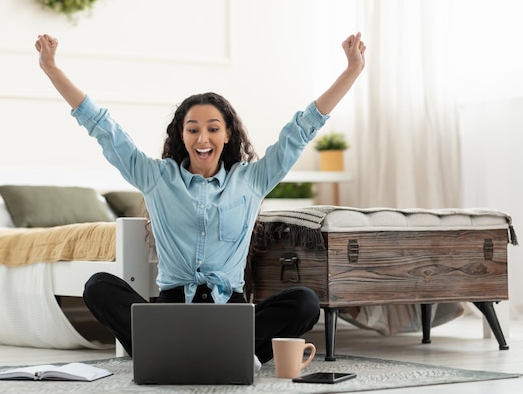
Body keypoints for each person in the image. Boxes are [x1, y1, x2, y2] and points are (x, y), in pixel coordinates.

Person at [34, 32, 366, 363]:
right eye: (193, 129)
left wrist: (351, 70)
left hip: (231, 314)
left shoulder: (251, 179)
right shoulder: (156, 177)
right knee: (97, 286)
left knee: (304, 302)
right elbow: (104, 128)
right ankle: (205, 354)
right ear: (181, 135)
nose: (203, 138)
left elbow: (301, 131)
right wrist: (51, 68)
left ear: (227, 133)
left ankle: (194, 354)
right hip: (171, 312)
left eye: (213, 128)